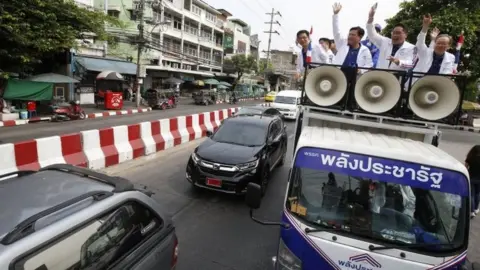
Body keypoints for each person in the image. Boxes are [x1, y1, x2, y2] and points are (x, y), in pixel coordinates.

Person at [366, 4, 415, 70]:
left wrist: (398, 61)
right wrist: (370, 17)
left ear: (405, 35)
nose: (395, 35)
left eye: (398, 33)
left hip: (396, 77)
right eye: (393, 33)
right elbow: (371, 34)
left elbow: (411, 64)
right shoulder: (384, 41)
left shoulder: (411, 47)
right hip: (380, 75)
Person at [331, 3, 373, 71]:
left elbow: (369, 64)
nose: (350, 36)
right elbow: (336, 31)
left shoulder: (365, 50)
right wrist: (335, 15)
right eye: (349, 34)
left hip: (355, 77)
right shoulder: (342, 43)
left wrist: (361, 70)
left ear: (360, 37)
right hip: (339, 75)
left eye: (353, 35)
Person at [466, 145, 480, 218]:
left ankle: (471, 212)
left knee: (472, 195)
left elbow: (465, 167)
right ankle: (476, 209)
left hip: (471, 178)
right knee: (477, 194)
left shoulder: (470, 158)